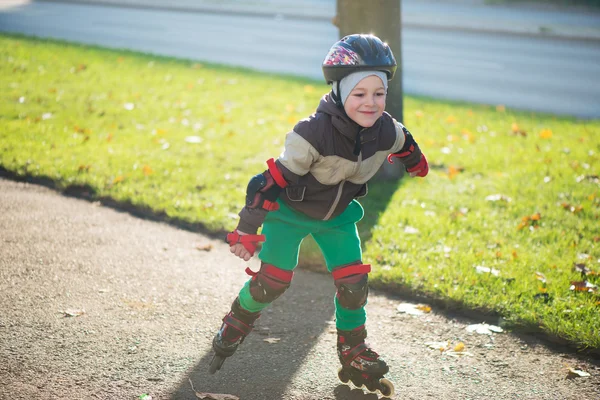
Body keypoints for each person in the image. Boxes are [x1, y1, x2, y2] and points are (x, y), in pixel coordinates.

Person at [209, 34, 428, 394]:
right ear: (340, 92)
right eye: (360, 94)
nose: (371, 103)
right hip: (289, 213)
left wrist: (415, 162)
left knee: (354, 283)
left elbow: (406, 142)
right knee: (272, 283)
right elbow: (268, 183)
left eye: (379, 93)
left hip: (338, 216)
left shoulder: (386, 129)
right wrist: (246, 230)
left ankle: (353, 349)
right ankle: (237, 318)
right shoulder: (311, 134)